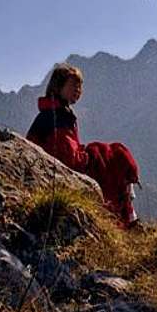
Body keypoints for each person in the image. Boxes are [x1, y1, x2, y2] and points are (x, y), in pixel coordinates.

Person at [26, 63, 141, 227]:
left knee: (113, 156)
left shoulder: (56, 111)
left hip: (53, 170)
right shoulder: (56, 116)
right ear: (58, 86)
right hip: (54, 176)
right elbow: (69, 159)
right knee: (115, 161)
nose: (78, 90)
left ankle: (127, 219)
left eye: (80, 86)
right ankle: (125, 220)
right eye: (74, 85)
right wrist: (92, 155)